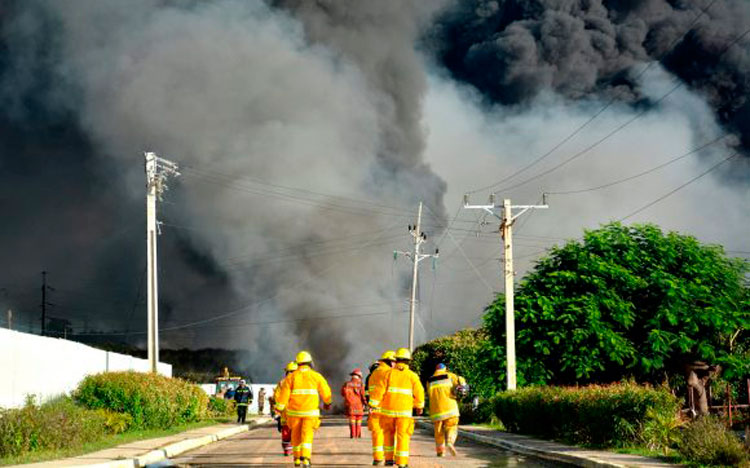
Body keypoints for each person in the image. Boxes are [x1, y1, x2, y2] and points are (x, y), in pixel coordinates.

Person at [275, 351, 332, 468]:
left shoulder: (291, 377)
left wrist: (279, 408)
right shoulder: (316, 376)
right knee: (307, 435)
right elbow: (325, 391)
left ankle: (296, 459)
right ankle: (306, 459)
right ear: (310, 363)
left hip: (294, 413)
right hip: (310, 413)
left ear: (298, 363)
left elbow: (283, 395)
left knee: (295, 435)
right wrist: (328, 402)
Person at [370, 348, 424, 468]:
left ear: (397, 360)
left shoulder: (388, 374)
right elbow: (419, 392)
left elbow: (379, 390)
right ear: (408, 361)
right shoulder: (412, 376)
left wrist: (373, 404)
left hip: (388, 412)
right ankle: (402, 462)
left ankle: (389, 460)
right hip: (404, 413)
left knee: (388, 434)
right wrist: (419, 406)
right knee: (403, 436)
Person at [428, 363, 467, 457]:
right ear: (445, 369)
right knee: (452, 427)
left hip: (436, 411)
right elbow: (461, 382)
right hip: (450, 408)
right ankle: (450, 441)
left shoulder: (429, 380)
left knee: (438, 432)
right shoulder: (450, 376)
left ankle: (440, 452)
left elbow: (429, 394)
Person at [367, 351, 395, 465]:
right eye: (394, 361)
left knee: (377, 433)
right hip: (387, 408)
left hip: (375, 409)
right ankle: (389, 458)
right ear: (388, 361)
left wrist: (372, 404)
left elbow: (369, 392)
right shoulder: (390, 373)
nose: (395, 364)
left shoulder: (372, 374)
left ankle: (378, 458)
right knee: (389, 433)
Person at [272, 361, 298, 457]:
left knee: (286, 432)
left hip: (285, 413)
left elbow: (276, 397)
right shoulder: (302, 381)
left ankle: (287, 451)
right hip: (298, 412)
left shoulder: (282, 382)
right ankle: (299, 452)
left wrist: (278, 411)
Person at [341, 368, 367, 438]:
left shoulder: (347, 384)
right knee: (358, 421)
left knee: (352, 420)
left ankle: (353, 435)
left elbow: (343, 394)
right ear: (359, 376)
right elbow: (363, 395)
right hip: (359, 405)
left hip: (350, 405)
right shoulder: (361, 384)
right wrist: (365, 403)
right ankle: (358, 435)